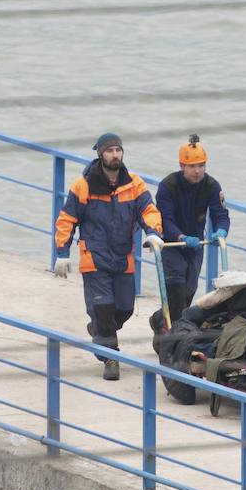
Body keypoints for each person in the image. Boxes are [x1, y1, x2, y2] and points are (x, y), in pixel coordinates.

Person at [53, 132, 163, 380]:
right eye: (110, 150)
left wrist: (153, 232)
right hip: (95, 258)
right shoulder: (84, 185)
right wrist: (62, 252)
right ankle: (110, 358)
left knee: (123, 308)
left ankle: (99, 331)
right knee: (103, 308)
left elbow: (148, 209)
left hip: (123, 258)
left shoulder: (134, 183)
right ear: (100, 154)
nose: (115, 155)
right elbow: (67, 219)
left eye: (118, 150)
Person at [155, 134, 230, 323]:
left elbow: (221, 214)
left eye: (201, 166)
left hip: (196, 246)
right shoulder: (167, 186)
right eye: (192, 166)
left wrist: (221, 230)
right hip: (172, 244)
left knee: (188, 295)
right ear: (182, 166)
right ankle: (174, 342)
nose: (197, 171)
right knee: (177, 293)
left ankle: (158, 320)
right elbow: (165, 220)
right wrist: (181, 236)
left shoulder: (212, 186)